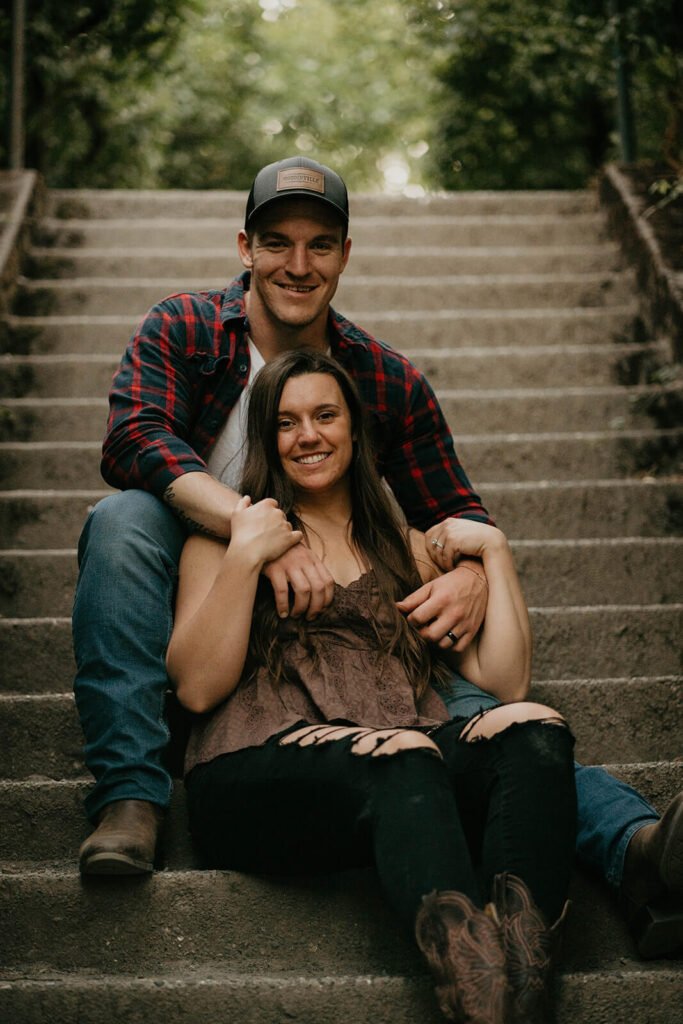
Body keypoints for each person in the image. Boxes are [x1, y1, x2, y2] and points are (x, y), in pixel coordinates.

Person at [72, 155, 683, 960]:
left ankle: (637, 851)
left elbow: (453, 513)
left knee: (474, 720)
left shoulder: (382, 378)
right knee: (120, 519)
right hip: (213, 599)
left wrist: (469, 570)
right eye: (277, 243)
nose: (298, 265)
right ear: (244, 247)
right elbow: (133, 438)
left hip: (351, 627)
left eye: (320, 244)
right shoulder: (186, 328)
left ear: (345, 254)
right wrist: (260, 532)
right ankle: (129, 795)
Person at [168, 349, 576, 1024]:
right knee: (402, 755)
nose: (308, 435)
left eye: (325, 415)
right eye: (286, 421)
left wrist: (493, 554)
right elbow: (196, 689)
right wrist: (248, 547)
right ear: (265, 437)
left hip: (399, 768)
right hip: (248, 777)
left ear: (355, 431)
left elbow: (503, 680)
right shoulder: (218, 545)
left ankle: (519, 999)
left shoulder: (404, 548)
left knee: (533, 729)